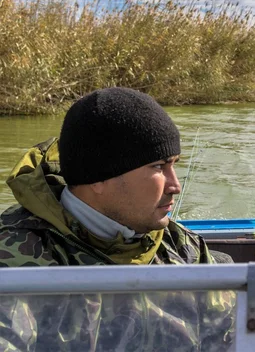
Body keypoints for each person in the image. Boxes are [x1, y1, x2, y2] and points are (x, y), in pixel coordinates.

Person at [0, 87, 234, 351]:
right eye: (158, 166)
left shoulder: (183, 246)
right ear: (99, 178)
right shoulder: (13, 260)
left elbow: (233, 337)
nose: (175, 185)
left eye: (174, 165)